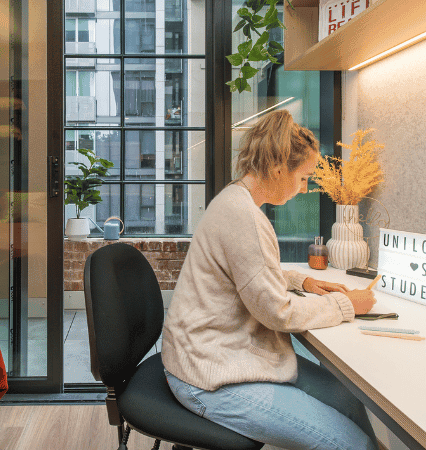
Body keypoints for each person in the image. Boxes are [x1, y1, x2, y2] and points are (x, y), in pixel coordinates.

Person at [161, 110, 378, 450]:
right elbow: (278, 313)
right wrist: (345, 304)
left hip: (218, 354)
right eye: (304, 178)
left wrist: (299, 282)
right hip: (209, 376)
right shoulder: (243, 216)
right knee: (352, 445)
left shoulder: (236, 200)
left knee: (349, 401)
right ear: (279, 169)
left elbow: (245, 272)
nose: (306, 189)